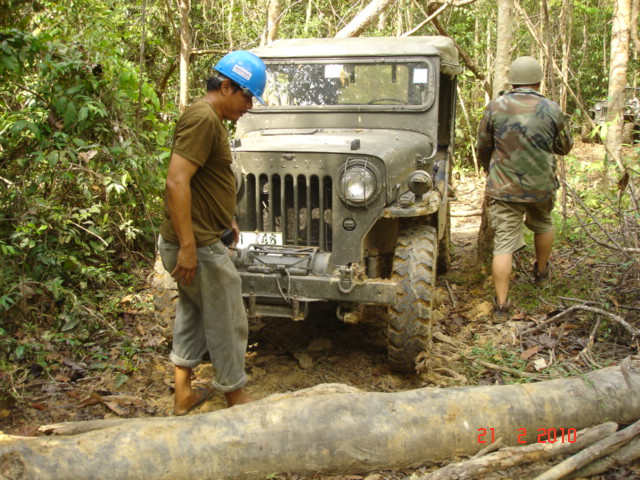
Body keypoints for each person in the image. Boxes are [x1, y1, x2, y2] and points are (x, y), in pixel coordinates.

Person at [158, 50, 267, 415]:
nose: (249, 106)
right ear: (225, 87)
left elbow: (204, 181)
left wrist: (226, 219)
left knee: (194, 312)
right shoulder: (203, 118)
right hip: (198, 245)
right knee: (228, 317)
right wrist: (189, 247)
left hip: (201, 237)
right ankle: (235, 398)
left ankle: (183, 395)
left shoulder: (209, 119)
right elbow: (176, 181)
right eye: (247, 96)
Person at [477, 56, 574, 323]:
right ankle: (541, 274)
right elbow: (565, 146)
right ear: (538, 81)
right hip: (540, 186)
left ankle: (501, 306)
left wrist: (490, 170)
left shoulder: (495, 106)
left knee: (503, 245)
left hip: (504, 187)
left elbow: (483, 146)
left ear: (513, 82)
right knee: (543, 224)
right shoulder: (551, 108)